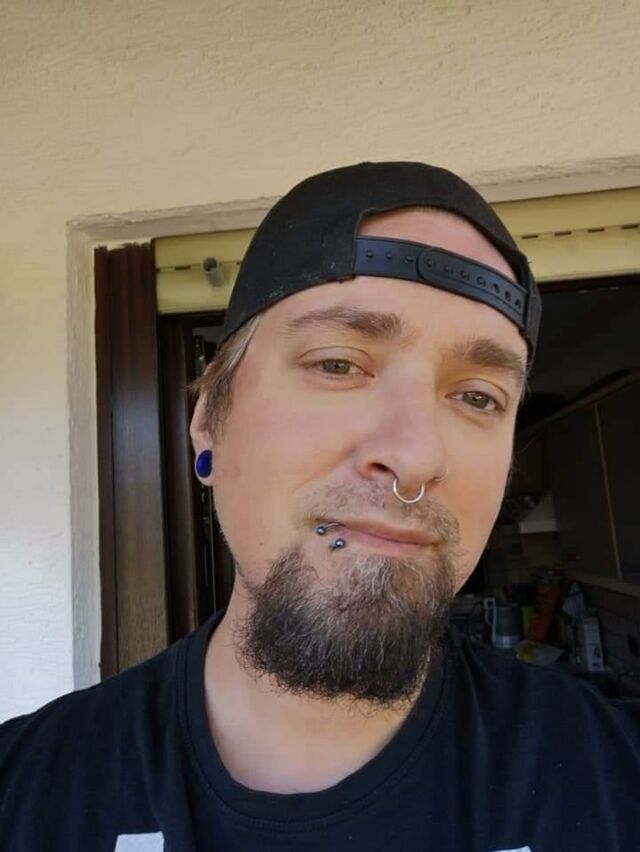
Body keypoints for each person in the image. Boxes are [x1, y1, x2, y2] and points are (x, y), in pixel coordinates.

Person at [0, 162, 638, 852]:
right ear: (209, 421)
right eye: (338, 364)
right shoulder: (23, 796)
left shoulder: (615, 779)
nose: (416, 456)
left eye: (478, 397)